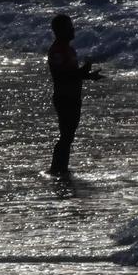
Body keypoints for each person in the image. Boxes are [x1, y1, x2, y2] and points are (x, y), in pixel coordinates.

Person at [47, 13, 102, 176]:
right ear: (60, 30)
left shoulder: (69, 49)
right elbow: (61, 76)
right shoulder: (57, 50)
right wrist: (82, 72)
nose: (73, 30)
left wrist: (88, 75)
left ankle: (61, 168)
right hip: (64, 97)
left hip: (73, 96)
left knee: (68, 135)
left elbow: (72, 73)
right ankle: (57, 168)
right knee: (66, 135)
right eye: (69, 27)